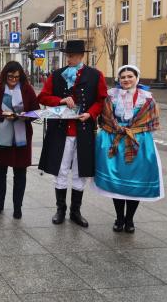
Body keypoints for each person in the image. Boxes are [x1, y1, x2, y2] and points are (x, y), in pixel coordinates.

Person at [38, 40, 107, 227]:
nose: (69, 58)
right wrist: (60, 99)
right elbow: (42, 97)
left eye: (73, 55)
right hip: (61, 131)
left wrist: (90, 113)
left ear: (81, 56)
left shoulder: (95, 75)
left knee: (80, 171)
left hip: (83, 131)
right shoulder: (56, 75)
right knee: (60, 169)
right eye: (67, 55)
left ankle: (75, 211)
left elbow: (101, 100)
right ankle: (60, 210)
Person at [93, 65, 163, 233]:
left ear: (136, 78)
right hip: (114, 140)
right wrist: (117, 128)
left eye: (129, 76)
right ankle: (119, 218)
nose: (126, 79)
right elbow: (105, 118)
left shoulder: (147, 99)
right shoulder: (111, 97)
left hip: (138, 142)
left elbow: (151, 120)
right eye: (123, 77)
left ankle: (129, 219)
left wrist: (134, 131)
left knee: (135, 182)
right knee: (117, 184)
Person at [0, 61, 39, 219]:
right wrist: (2, 114)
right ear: (4, 75)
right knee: (0, 173)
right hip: (2, 136)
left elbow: (36, 111)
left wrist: (25, 116)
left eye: (16, 77)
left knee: (20, 174)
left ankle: (17, 207)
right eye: (10, 77)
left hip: (21, 138)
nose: (13, 80)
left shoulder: (27, 89)